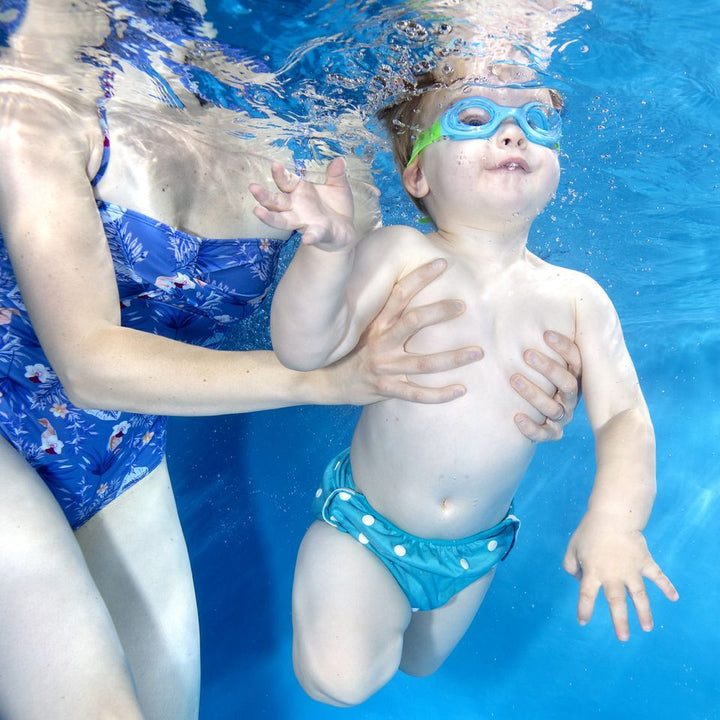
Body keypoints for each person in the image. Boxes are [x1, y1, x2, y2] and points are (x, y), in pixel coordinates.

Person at [0, 2, 583, 719]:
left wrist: (507, 400)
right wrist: (324, 383)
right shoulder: (49, 71)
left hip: (120, 451)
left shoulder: (314, 119)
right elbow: (88, 365)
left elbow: (360, 330)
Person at [251, 62, 679, 707]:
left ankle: (398, 615)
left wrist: (617, 523)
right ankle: (330, 563)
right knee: (341, 682)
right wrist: (328, 254)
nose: (514, 135)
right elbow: (304, 349)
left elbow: (623, 418)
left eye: (537, 120)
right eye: (475, 119)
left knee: (420, 665)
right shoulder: (399, 252)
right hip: (368, 527)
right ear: (417, 173)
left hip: (474, 550)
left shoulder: (579, 298)